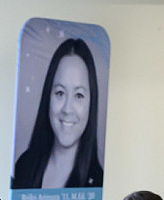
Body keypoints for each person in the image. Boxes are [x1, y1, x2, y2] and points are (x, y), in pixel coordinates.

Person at [10, 38, 105, 190]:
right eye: (60, 93)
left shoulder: (97, 180)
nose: (67, 109)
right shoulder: (25, 165)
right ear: (48, 96)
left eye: (79, 95)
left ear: (91, 102)